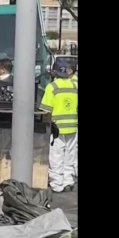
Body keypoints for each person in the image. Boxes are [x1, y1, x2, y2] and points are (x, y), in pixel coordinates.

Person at [40, 62, 78, 193]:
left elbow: (45, 109)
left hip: (57, 128)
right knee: (70, 155)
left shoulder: (52, 87)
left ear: (55, 72)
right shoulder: (75, 85)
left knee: (56, 156)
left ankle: (57, 184)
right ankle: (69, 181)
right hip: (73, 126)